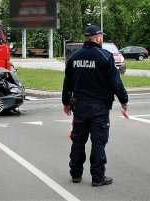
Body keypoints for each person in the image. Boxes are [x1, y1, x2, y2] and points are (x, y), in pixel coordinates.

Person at [62, 25, 128, 187]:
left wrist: (66, 103)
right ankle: (98, 177)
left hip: (80, 106)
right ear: (98, 38)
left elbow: (67, 82)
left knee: (78, 140)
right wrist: (124, 100)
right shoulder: (105, 57)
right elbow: (116, 82)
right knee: (98, 142)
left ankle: (76, 174)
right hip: (99, 106)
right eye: (101, 37)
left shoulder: (74, 57)